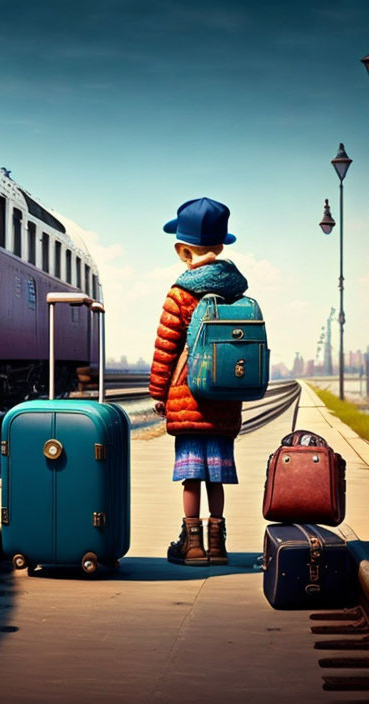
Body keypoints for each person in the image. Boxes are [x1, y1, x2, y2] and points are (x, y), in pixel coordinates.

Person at [149, 197, 249, 566]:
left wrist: (159, 393)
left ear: (182, 251)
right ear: (222, 247)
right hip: (224, 399)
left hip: (187, 396)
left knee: (191, 475)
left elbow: (166, 347)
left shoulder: (180, 293)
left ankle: (191, 546)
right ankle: (218, 544)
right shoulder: (236, 290)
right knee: (216, 477)